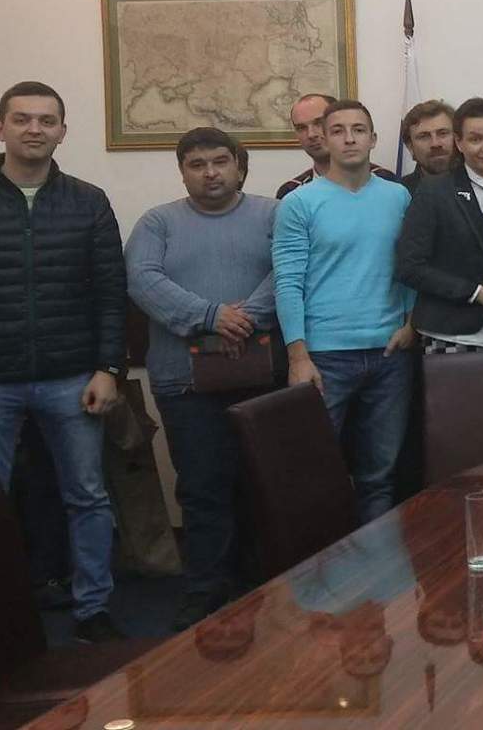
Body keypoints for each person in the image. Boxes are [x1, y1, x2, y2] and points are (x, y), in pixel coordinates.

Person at [0, 82, 127, 643]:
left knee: (87, 497)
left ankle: (94, 609)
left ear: (63, 131)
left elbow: (110, 294)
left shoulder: (88, 201)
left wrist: (109, 369)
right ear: (0, 129)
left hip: (72, 377)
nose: (34, 129)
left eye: (47, 120)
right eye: (22, 119)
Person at [125, 126, 278, 629]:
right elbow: (142, 279)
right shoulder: (158, 222)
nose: (210, 173)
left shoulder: (273, 214)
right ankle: (205, 588)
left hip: (261, 376)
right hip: (184, 383)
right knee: (201, 487)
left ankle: (264, 584)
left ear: (238, 164)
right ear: (182, 171)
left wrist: (243, 318)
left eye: (219, 161)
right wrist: (211, 316)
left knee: (261, 482)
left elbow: (291, 270)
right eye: (197, 164)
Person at [272, 99, 418, 522]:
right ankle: (320, 565)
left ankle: (376, 561)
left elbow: (410, 267)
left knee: (380, 476)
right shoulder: (299, 203)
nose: (349, 138)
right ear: (324, 139)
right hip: (324, 358)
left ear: (373, 139)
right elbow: (288, 282)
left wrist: (411, 323)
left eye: (358, 130)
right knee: (313, 473)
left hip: (390, 354)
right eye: (338, 130)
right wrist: (298, 356)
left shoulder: (398, 196)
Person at [394, 98, 483, 354]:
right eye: (476, 139)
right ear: (459, 143)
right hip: (451, 334)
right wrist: (475, 292)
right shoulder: (434, 192)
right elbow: (409, 266)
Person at [277, 93, 397, 199]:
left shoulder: (386, 180)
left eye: (319, 123)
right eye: (301, 128)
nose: (311, 134)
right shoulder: (291, 192)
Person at [397, 99, 457, 191]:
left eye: (443, 133)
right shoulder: (399, 193)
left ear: (458, 138)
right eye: (424, 136)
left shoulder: (478, 185)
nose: (435, 144)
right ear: (410, 147)